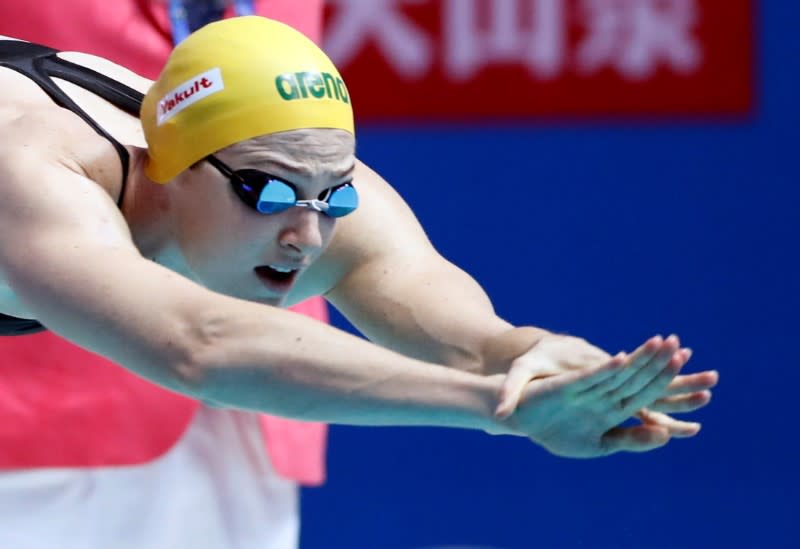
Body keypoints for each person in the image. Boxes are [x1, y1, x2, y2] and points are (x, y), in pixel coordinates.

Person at [0, 14, 717, 549]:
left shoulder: (276, 155)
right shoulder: (36, 166)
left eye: (334, 200)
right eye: (271, 198)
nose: (307, 236)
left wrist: (526, 355)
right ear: (180, 167)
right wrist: (497, 407)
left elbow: (416, 285)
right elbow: (199, 344)